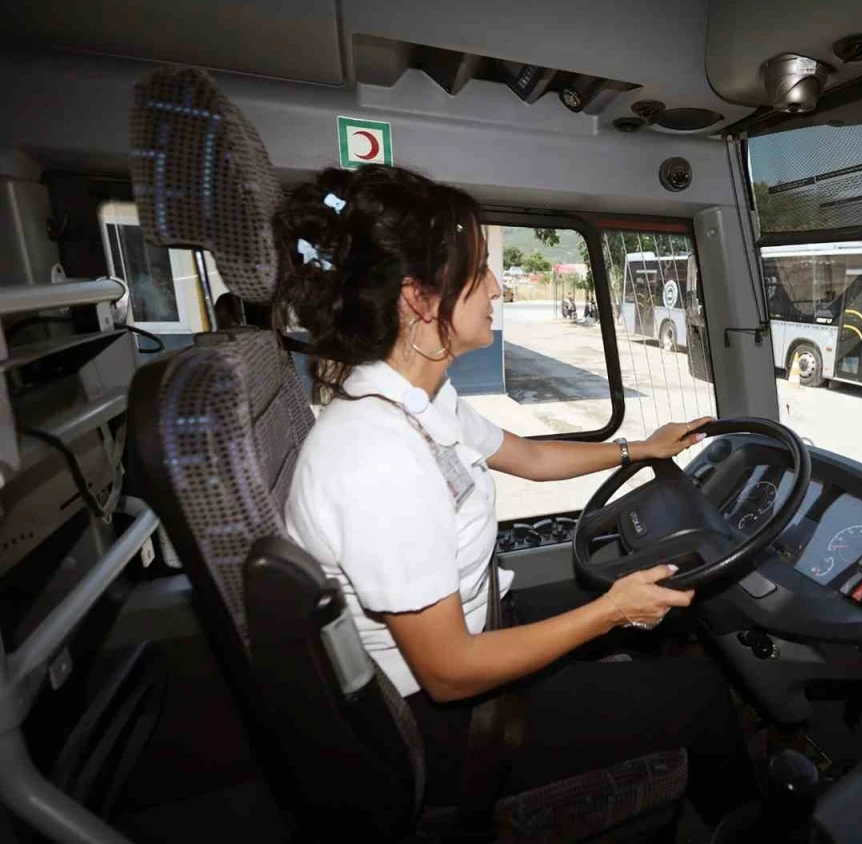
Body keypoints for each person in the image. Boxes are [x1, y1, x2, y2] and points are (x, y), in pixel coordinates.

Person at [273, 165, 756, 823]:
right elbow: (449, 671)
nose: (498, 287)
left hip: (484, 624)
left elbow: (527, 456)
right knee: (696, 692)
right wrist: (612, 611)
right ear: (420, 300)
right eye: (479, 272)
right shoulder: (375, 456)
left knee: (674, 616)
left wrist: (640, 448)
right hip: (448, 729)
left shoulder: (418, 400)